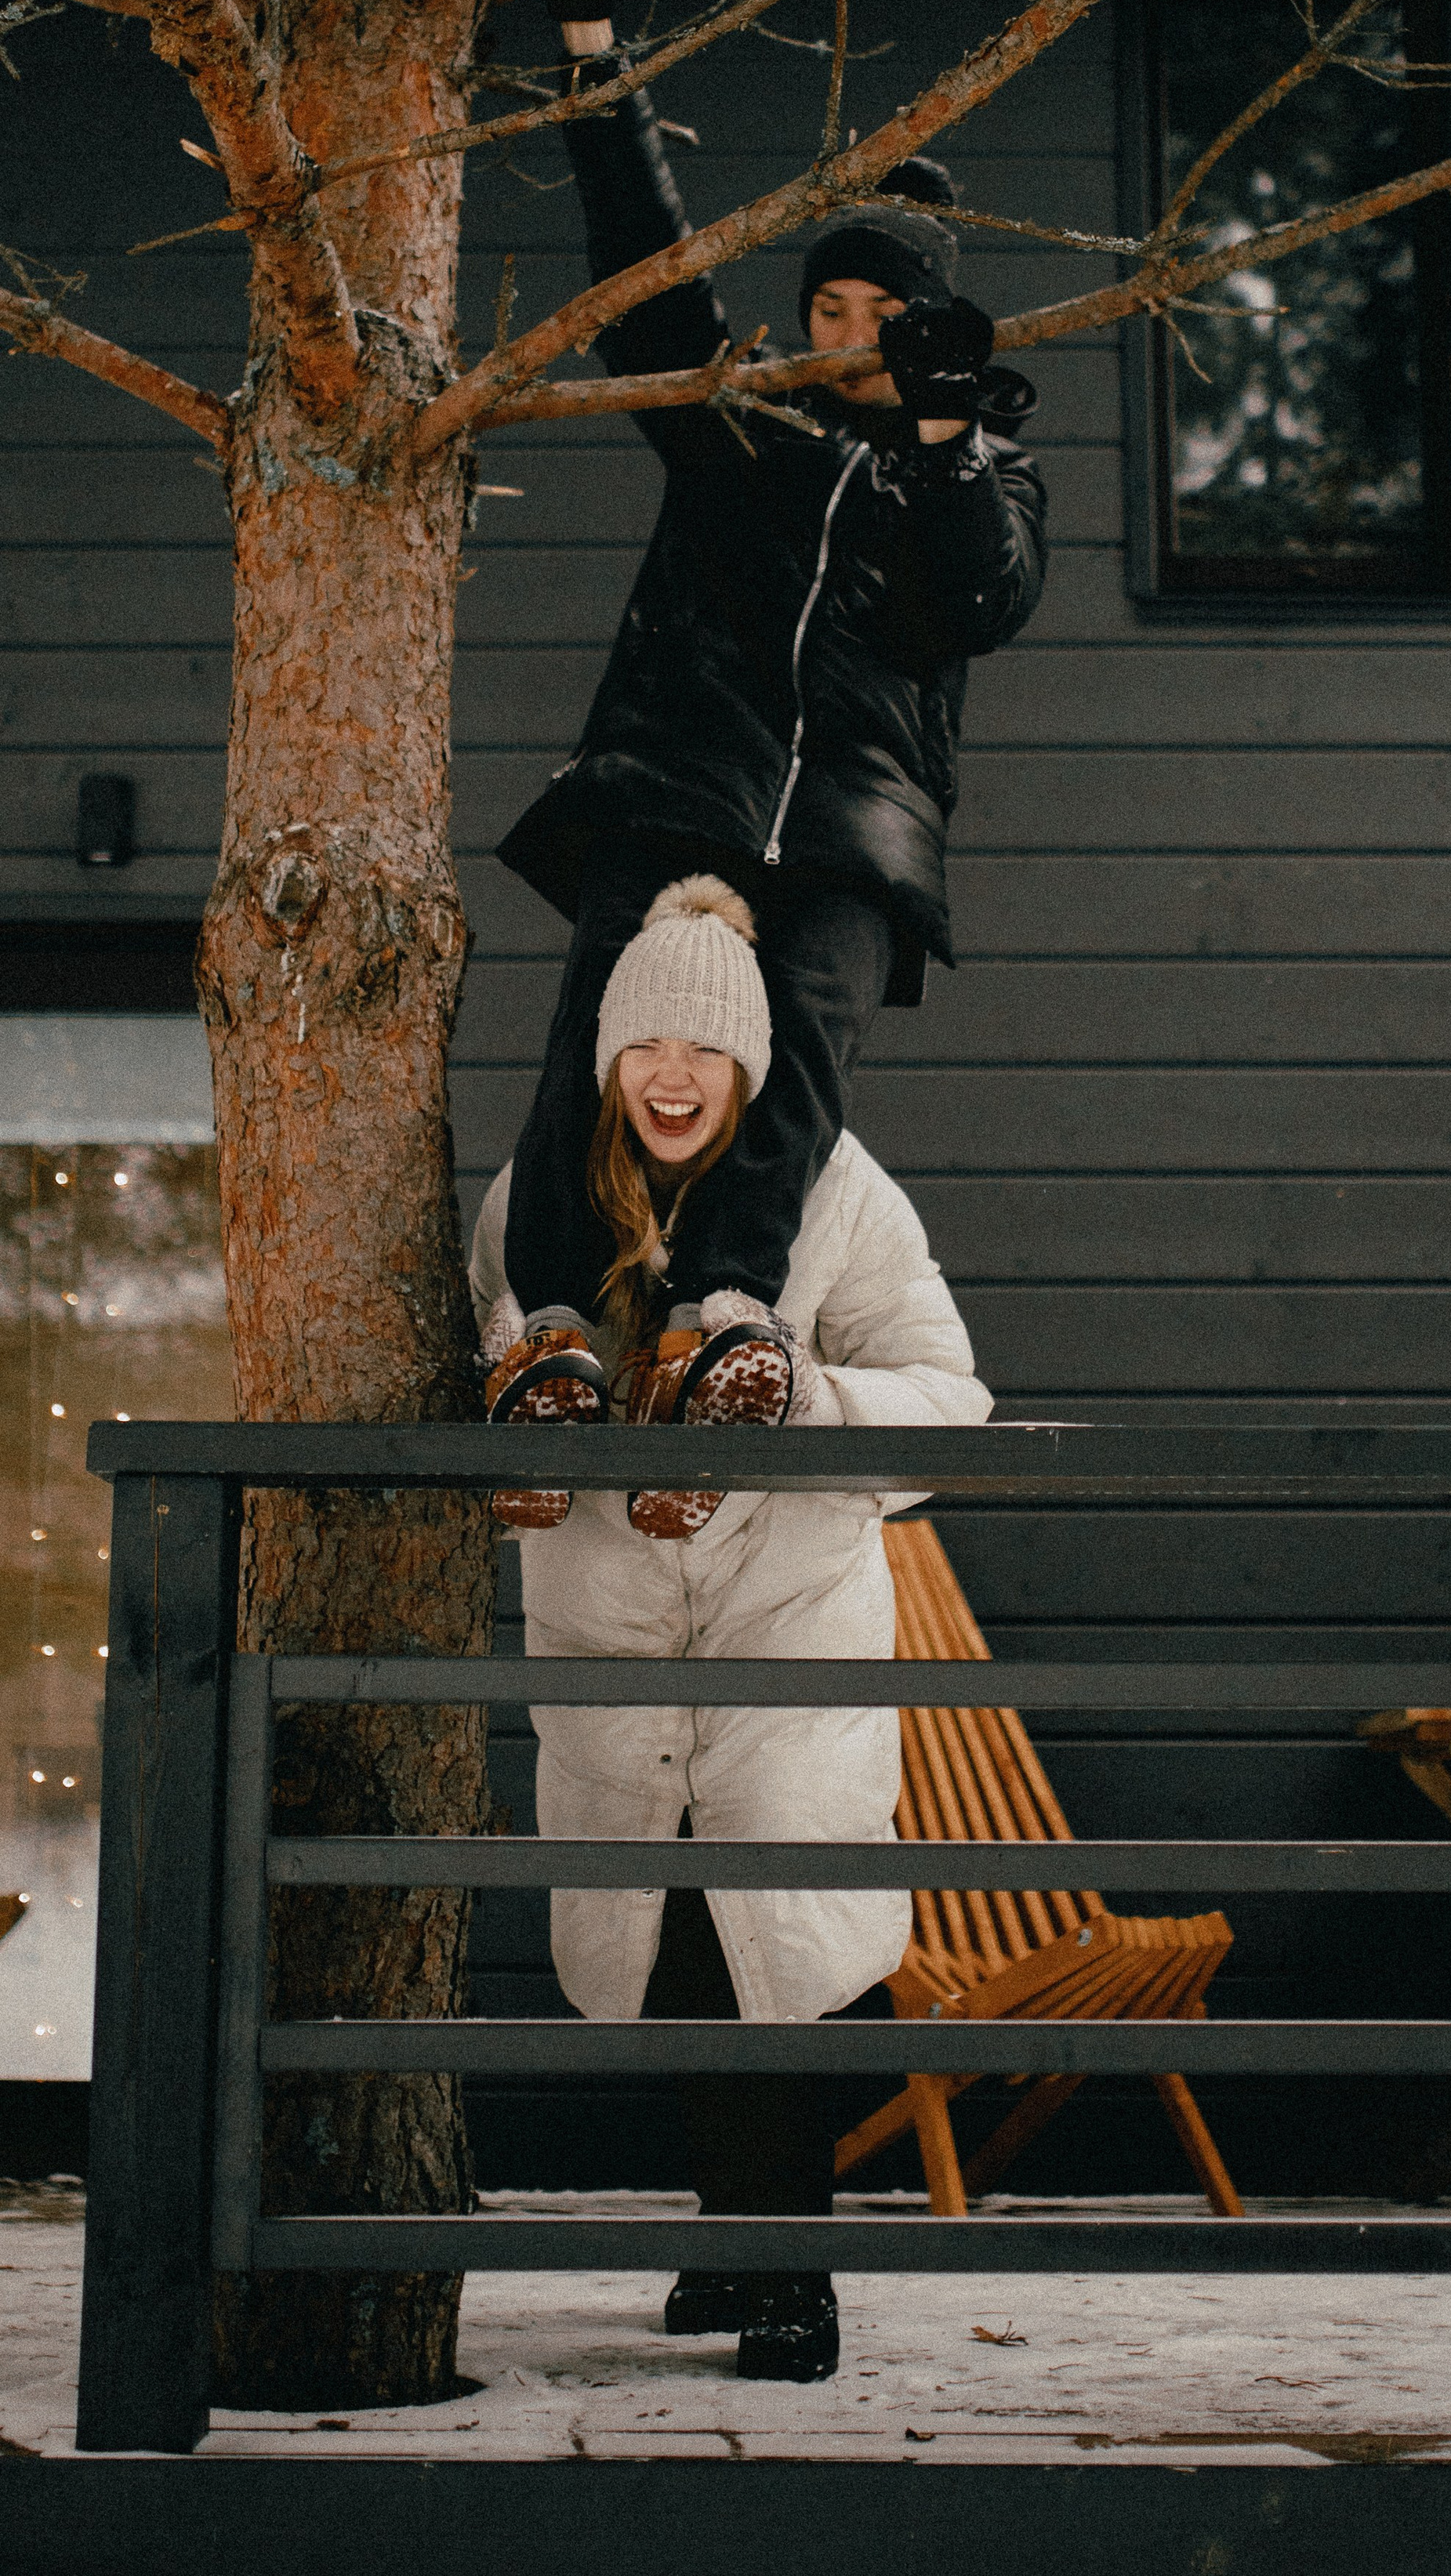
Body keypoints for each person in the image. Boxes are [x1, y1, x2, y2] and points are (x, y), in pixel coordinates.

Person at [484, 0, 1045, 1469]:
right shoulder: (736, 425)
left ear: (930, 334)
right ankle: (549, 1330)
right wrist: (595, 55)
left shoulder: (978, 469)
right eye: (830, 314)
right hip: (679, 777)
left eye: (884, 325)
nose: (847, 344)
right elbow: (646, 278)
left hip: (857, 822)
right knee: (602, 1037)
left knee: (797, 1049)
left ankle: (727, 1315)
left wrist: (939, 437)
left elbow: (986, 602)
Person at [470, 875, 992, 2382]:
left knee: (788, 1945)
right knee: (676, 1953)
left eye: (705, 1053)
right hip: (609, 1638)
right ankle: (729, 2234)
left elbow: (948, 1398)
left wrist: (807, 1401)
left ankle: (791, 2269)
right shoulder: (540, 1199)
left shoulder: (837, 1194)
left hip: (789, 1640)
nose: (674, 1080)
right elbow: (473, 1351)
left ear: (756, 1065)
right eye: (647, 1049)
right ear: (609, 1056)